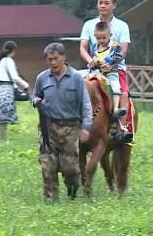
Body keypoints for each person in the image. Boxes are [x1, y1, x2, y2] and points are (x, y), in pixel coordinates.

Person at [32, 43, 92, 200]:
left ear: (63, 58)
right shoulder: (42, 78)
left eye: (55, 59)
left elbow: (86, 104)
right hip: (48, 127)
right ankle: (50, 199)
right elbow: (36, 96)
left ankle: (72, 192)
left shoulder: (77, 78)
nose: (52, 63)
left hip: (71, 128)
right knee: (47, 166)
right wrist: (36, 101)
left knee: (70, 168)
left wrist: (86, 127)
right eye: (49, 60)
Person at [80, 0, 133, 143]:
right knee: (75, 82)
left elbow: (123, 50)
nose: (102, 6)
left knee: (123, 92)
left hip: (115, 69)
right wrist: (91, 60)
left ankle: (122, 129)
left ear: (114, 5)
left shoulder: (122, 26)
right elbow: (83, 47)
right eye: (100, 2)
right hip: (94, 68)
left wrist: (111, 64)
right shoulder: (89, 25)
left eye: (106, 3)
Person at [89, 22, 127, 121]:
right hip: (97, 72)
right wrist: (93, 63)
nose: (101, 41)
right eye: (98, 38)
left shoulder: (114, 46)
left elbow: (119, 57)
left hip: (110, 72)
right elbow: (93, 57)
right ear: (94, 36)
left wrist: (109, 64)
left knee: (115, 87)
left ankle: (115, 109)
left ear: (110, 35)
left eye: (104, 38)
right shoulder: (94, 47)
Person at [0, 41, 29, 142]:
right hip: (7, 89)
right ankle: (3, 139)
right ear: (13, 50)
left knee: (1, 115)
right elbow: (14, 77)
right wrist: (25, 85)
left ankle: (2, 137)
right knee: (5, 116)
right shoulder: (8, 60)